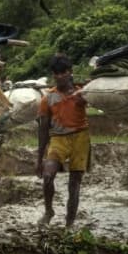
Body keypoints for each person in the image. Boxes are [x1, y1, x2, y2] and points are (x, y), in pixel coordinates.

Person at [37, 53, 91, 228]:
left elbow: (101, 98)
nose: (59, 76)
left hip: (80, 138)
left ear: (70, 72)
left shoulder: (81, 94)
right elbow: (43, 129)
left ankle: (69, 224)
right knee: (47, 175)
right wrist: (39, 159)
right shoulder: (48, 98)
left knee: (74, 184)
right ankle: (48, 211)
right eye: (56, 73)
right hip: (58, 139)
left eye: (63, 72)